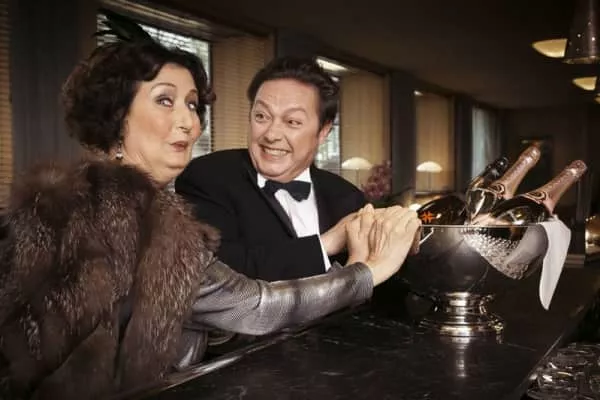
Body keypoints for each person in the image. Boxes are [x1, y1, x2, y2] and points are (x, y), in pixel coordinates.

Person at [0, 30, 420, 400]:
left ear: (323, 131)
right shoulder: (130, 214)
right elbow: (256, 306)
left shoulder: (85, 198)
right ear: (117, 114)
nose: (188, 121)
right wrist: (367, 271)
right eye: (165, 101)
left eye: (192, 104)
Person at [175, 57, 367, 281]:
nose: (271, 135)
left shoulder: (348, 197)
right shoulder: (207, 177)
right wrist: (326, 244)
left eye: (292, 122)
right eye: (261, 116)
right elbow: (219, 277)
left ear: (323, 131)